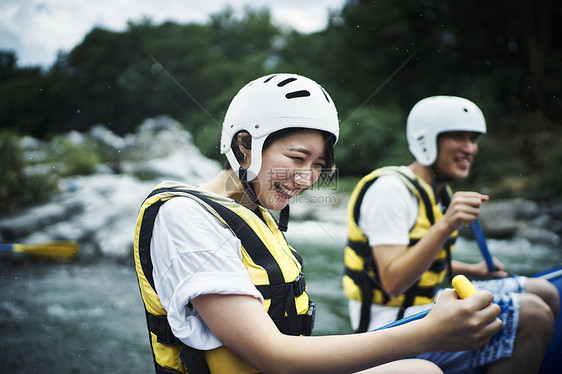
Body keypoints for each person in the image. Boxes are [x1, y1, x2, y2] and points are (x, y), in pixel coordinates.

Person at [134, 76, 503, 374]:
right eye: (297, 158)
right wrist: (428, 333)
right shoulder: (184, 216)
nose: (307, 178)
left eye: (318, 165)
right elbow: (273, 356)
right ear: (245, 145)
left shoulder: (253, 212)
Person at [343, 95, 559, 373]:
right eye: (458, 137)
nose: (470, 148)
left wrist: (473, 270)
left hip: (424, 304)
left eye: (473, 139)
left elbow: (422, 263)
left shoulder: (439, 193)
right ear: (426, 140)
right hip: (387, 324)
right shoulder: (389, 190)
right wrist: (446, 225)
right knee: (533, 313)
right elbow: (392, 282)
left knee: (545, 291)